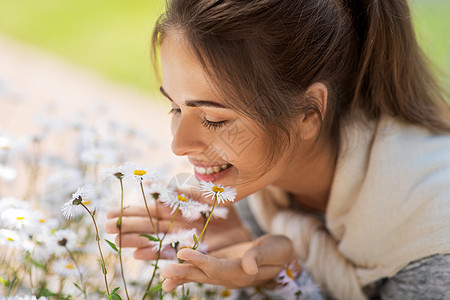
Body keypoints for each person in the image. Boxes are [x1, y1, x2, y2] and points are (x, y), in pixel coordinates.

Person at [105, 0, 450, 298]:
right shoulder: (261, 189)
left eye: (213, 118)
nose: (179, 145)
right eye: (176, 108)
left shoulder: (433, 234)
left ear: (307, 114)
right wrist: (263, 265)